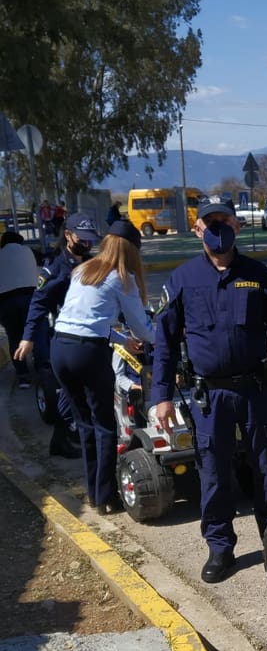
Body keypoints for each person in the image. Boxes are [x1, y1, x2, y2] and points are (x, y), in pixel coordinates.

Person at [151, 199, 267, 583]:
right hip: (210, 397)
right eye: (209, 222)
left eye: (224, 221)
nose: (217, 228)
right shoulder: (182, 279)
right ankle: (220, 547)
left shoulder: (258, 276)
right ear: (197, 229)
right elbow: (165, 341)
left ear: (238, 225)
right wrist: (160, 396)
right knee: (214, 471)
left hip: (256, 389)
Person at [49, 219, 154, 514]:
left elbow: (85, 319)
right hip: (88, 353)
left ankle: (94, 494)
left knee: (85, 423)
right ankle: (108, 496)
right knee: (106, 425)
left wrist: (121, 339)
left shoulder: (82, 269)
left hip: (60, 347)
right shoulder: (123, 277)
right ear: (132, 251)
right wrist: (163, 339)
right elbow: (144, 329)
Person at [14, 212, 100, 456]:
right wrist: (28, 337)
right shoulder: (55, 267)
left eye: (90, 239)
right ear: (68, 235)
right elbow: (38, 303)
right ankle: (63, 439)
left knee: (81, 390)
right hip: (66, 338)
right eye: (82, 238)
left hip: (93, 333)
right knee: (70, 390)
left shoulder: (91, 263)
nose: (87, 243)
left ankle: (67, 438)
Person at [0, 226, 38, 387]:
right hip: (30, 298)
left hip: (5, 301)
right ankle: (43, 367)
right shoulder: (28, 252)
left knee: (14, 337)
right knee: (35, 333)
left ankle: (23, 376)